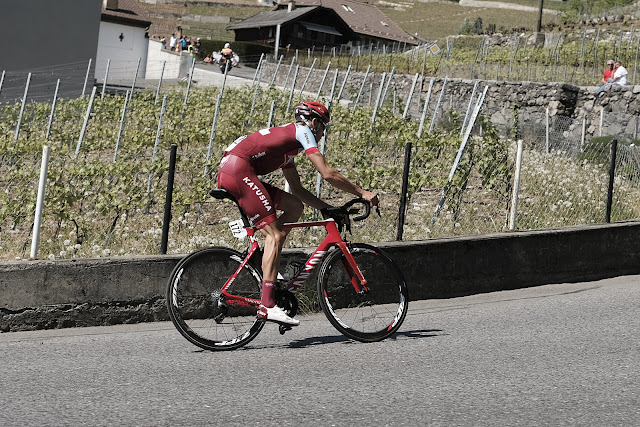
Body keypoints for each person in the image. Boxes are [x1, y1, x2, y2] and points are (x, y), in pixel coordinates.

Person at [216, 101, 379, 326]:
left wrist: (325, 208)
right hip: (238, 170)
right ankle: (267, 306)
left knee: (294, 207)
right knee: (275, 236)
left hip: (234, 169)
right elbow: (327, 172)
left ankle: (266, 264)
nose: (322, 134)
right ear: (313, 122)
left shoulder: (288, 147)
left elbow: (298, 191)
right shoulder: (303, 131)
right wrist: (362, 193)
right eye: (323, 128)